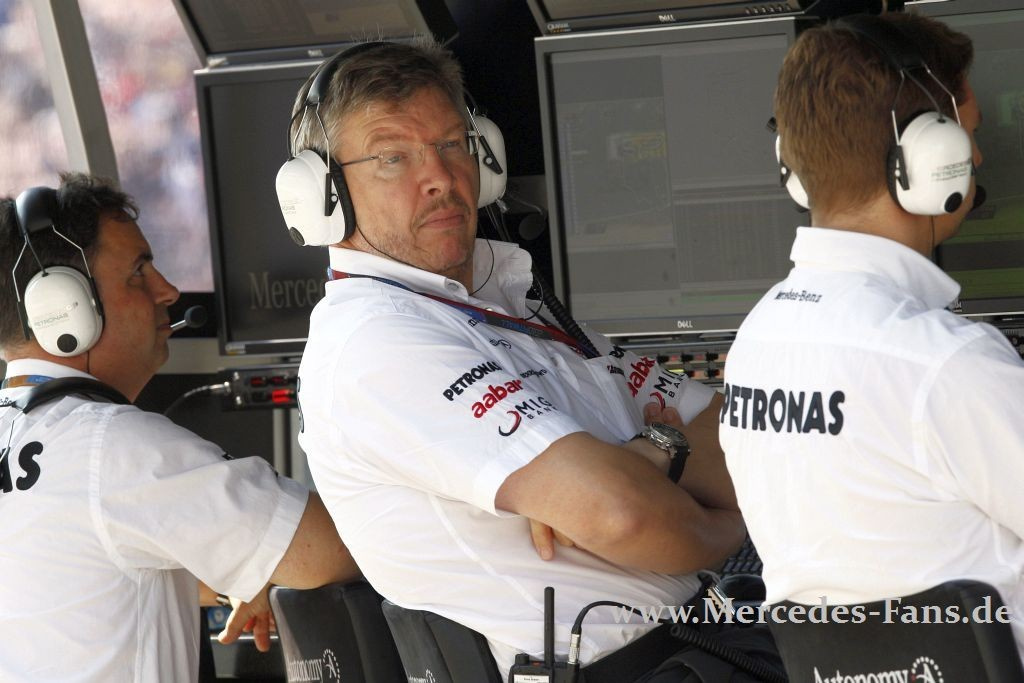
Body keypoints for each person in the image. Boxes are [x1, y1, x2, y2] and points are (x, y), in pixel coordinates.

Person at [284, 40, 764, 680]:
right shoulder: (376, 342)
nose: (441, 176)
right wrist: (731, 527)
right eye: (393, 157)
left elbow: (750, 446)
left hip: (702, 647)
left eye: (452, 143)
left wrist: (655, 455)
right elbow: (623, 514)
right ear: (323, 194)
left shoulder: (513, 305)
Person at [719, 11, 1024, 653]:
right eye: (968, 137)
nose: (978, 157)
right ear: (929, 159)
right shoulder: (947, 365)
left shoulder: (758, 339)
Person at [0, 173, 359, 682]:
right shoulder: (112, 447)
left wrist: (252, 568)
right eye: (138, 272)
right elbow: (336, 548)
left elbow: (80, 580)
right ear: (64, 310)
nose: (167, 290)